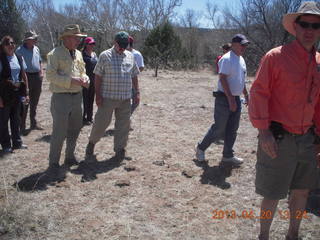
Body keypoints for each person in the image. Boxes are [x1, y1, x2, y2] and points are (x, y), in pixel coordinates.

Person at [248, 2, 320, 240]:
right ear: (295, 27)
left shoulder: (319, 62)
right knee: (273, 192)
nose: (310, 29)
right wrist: (264, 131)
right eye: (305, 24)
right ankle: (264, 236)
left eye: (316, 25)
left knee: (301, 191)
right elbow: (259, 93)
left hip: (308, 138)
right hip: (279, 137)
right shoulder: (276, 57)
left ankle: (293, 235)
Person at [195, 34, 250, 165]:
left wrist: (246, 95)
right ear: (234, 44)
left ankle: (227, 155)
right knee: (219, 128)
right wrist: (230, 99)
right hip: (224, 99)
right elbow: (223, 78)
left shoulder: (241, 59)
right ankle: (200, 148)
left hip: (236, 98)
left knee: (232, 128)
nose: (244, 47)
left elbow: (241, 80)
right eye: (242, 44)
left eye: (245, 45)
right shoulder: (227, 59)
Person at [85, 31, 140, 160]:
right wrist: (98, 95)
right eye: (120, 45)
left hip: (125, 98)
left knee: (123, 126)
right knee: (101, 124)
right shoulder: (105, 56)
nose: (122, 48)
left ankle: (120, 149)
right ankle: (91, 143)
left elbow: (134, 75)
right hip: (107, 98)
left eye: (124, 45)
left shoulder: (130, 56)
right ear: (114, 42)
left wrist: (136, 92)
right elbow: (97, 77)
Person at [46, 24, 89, 174]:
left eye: (79, 38)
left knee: (75, 129)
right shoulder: (54, 54)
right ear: (67, 38)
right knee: (59, 131)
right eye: (76, 38)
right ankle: (53, 162)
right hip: (61, 98)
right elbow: (50, 76)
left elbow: (83, 71)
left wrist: (85, 79)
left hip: (77, 97)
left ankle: (69, 157)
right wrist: (72, 81)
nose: (78, 40)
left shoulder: (78, 53)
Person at [0, 36, 29, 153]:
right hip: (4, 94)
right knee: (3, 120)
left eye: (12, 43)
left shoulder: (18, 57)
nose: (10, 45)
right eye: (7, 43)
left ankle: (17, 142)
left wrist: (26, 92)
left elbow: (23, 75)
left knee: (16, 118)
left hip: (17, 93)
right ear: (3, 46)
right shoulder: (1, 59)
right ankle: (6, 144)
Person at [16, 30, 43, 133]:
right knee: (24, 102)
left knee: (34, 102)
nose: (35, 40)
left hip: (37, 77)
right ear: (27, 40)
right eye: (33, 38)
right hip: (25, 77)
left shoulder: (36, 49)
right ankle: (21, 126)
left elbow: (39, 61)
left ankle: (33, 123)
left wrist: (41, 72)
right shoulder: (19, 50)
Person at [82, 37, 97, 125]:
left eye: (93, 44)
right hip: (85, 80)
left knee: (91, 99)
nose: (92, 46)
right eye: (90, 44)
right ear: (86, 45)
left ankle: (90, 117)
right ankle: (83, 118)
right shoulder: (82, 55)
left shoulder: (95, 54)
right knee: (84, 100)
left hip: (94, 80)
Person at [127, 36, 144, 115]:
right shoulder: (120, 53)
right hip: (123, 82)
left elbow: (141, 67)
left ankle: (127, 116)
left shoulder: (136, 54)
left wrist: (133, 73)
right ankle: (125, 119)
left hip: (133, 81)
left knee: (135, 102)